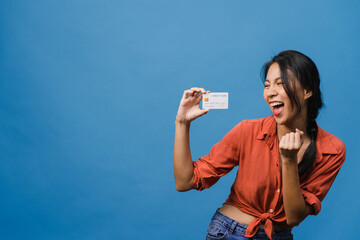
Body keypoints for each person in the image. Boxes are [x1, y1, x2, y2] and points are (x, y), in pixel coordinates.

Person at [173, 50, 346, 240]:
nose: (271, 92)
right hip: (228, 232)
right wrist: (182, 123)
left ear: (307, 91)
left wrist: (288, 161)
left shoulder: (332, 150)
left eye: (281, 84)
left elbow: (294, 217)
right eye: (267, 85)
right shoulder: (248, 130)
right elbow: (185, 182)